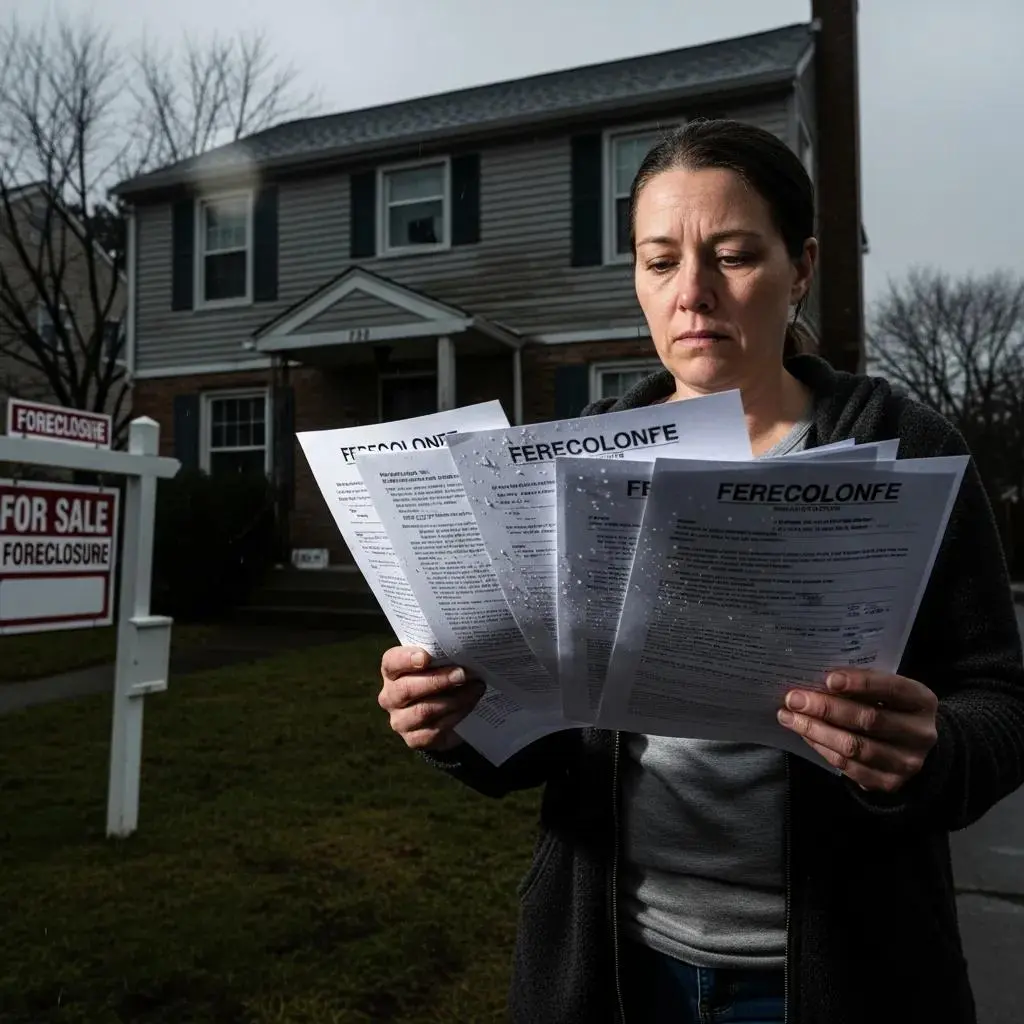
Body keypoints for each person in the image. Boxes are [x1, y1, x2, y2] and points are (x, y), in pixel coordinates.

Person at [377, 118, 1024, 1023]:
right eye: (659, 261)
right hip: (612, 963)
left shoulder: (907, 444)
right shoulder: (574, 460)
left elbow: (1002, 699)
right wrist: (457, 725)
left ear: (801, 268)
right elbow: (555, 741)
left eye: (733, 256)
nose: (693, 294)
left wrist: (935, 750)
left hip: (846, 969)